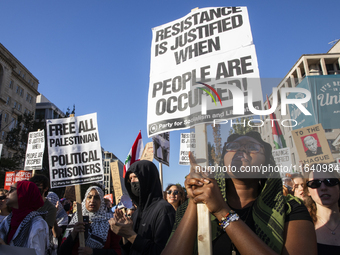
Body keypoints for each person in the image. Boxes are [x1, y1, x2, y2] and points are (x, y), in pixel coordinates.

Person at [162, 131, 317, 255]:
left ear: (267, 163)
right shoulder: (198, 208)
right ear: (223, 160)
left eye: (252, 147)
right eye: (233, 146)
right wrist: (195, 199)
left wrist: (222, 212)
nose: (241, 151)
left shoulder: (290, 209)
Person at [109, 160, 175, 255]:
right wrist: (124, 234)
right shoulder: (137, 213)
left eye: (135, 177)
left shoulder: (164, 210)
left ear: (148, 178)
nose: (132, 182)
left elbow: (162, 251)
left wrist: (130, 234)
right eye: (130, 179)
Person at [59, 186, 121, 255]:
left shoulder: (110, 222)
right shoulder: (76, 218)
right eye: (89, 197)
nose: (92, 200)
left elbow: (118, 251)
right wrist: (74, 233)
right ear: (85, 200)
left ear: (101, 202)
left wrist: (93, 252)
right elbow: (62, 251)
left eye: (96, 198)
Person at [0, 181, 49, 255]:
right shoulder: (6, 221)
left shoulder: (37, 224)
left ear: (23, 193)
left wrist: (4, 245)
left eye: (12, 189)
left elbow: (37, 253)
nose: (7, 194)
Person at [307, 163, 340, 254]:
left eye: (330, 181)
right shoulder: (303, 228)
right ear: (308, 191)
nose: (323, 188)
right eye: (315, 183)